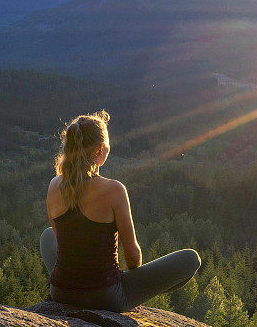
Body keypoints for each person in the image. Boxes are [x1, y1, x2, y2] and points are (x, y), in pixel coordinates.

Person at [40, 110, 201, 312]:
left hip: (61, 291)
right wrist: (134, 286)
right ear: (100, 150)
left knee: (47, 235)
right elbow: (132, 255)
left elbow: (63, 239)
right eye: (107, 144)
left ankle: (75, 286)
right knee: (191, 258)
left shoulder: (54, 184)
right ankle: (127, 297)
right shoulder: (114, 190)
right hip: (105, 296)